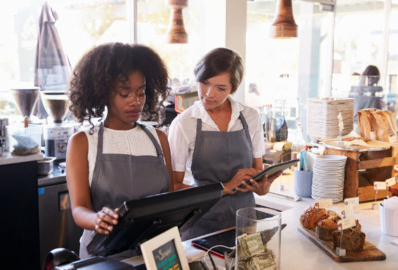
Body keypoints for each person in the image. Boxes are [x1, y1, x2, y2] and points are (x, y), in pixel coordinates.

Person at [66, 42, 173, 259]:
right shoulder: (83, 142)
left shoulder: (158, 139)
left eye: (141, 93)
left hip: (154, 253)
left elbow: (169, 201)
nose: (136, 102)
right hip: (102, 254)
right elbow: (79, 209)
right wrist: (97, 219)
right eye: (125, 93)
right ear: (104, 93)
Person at [168, 47, 281, 240]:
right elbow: (173, 187)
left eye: (221, 88)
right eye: (204, 83)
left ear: (233, 89)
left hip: (246, 221)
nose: (209, 94)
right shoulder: (184, 123)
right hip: (201, 224)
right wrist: (225, 187)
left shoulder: (250, 117)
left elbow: (257, 171)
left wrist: (262, 187)